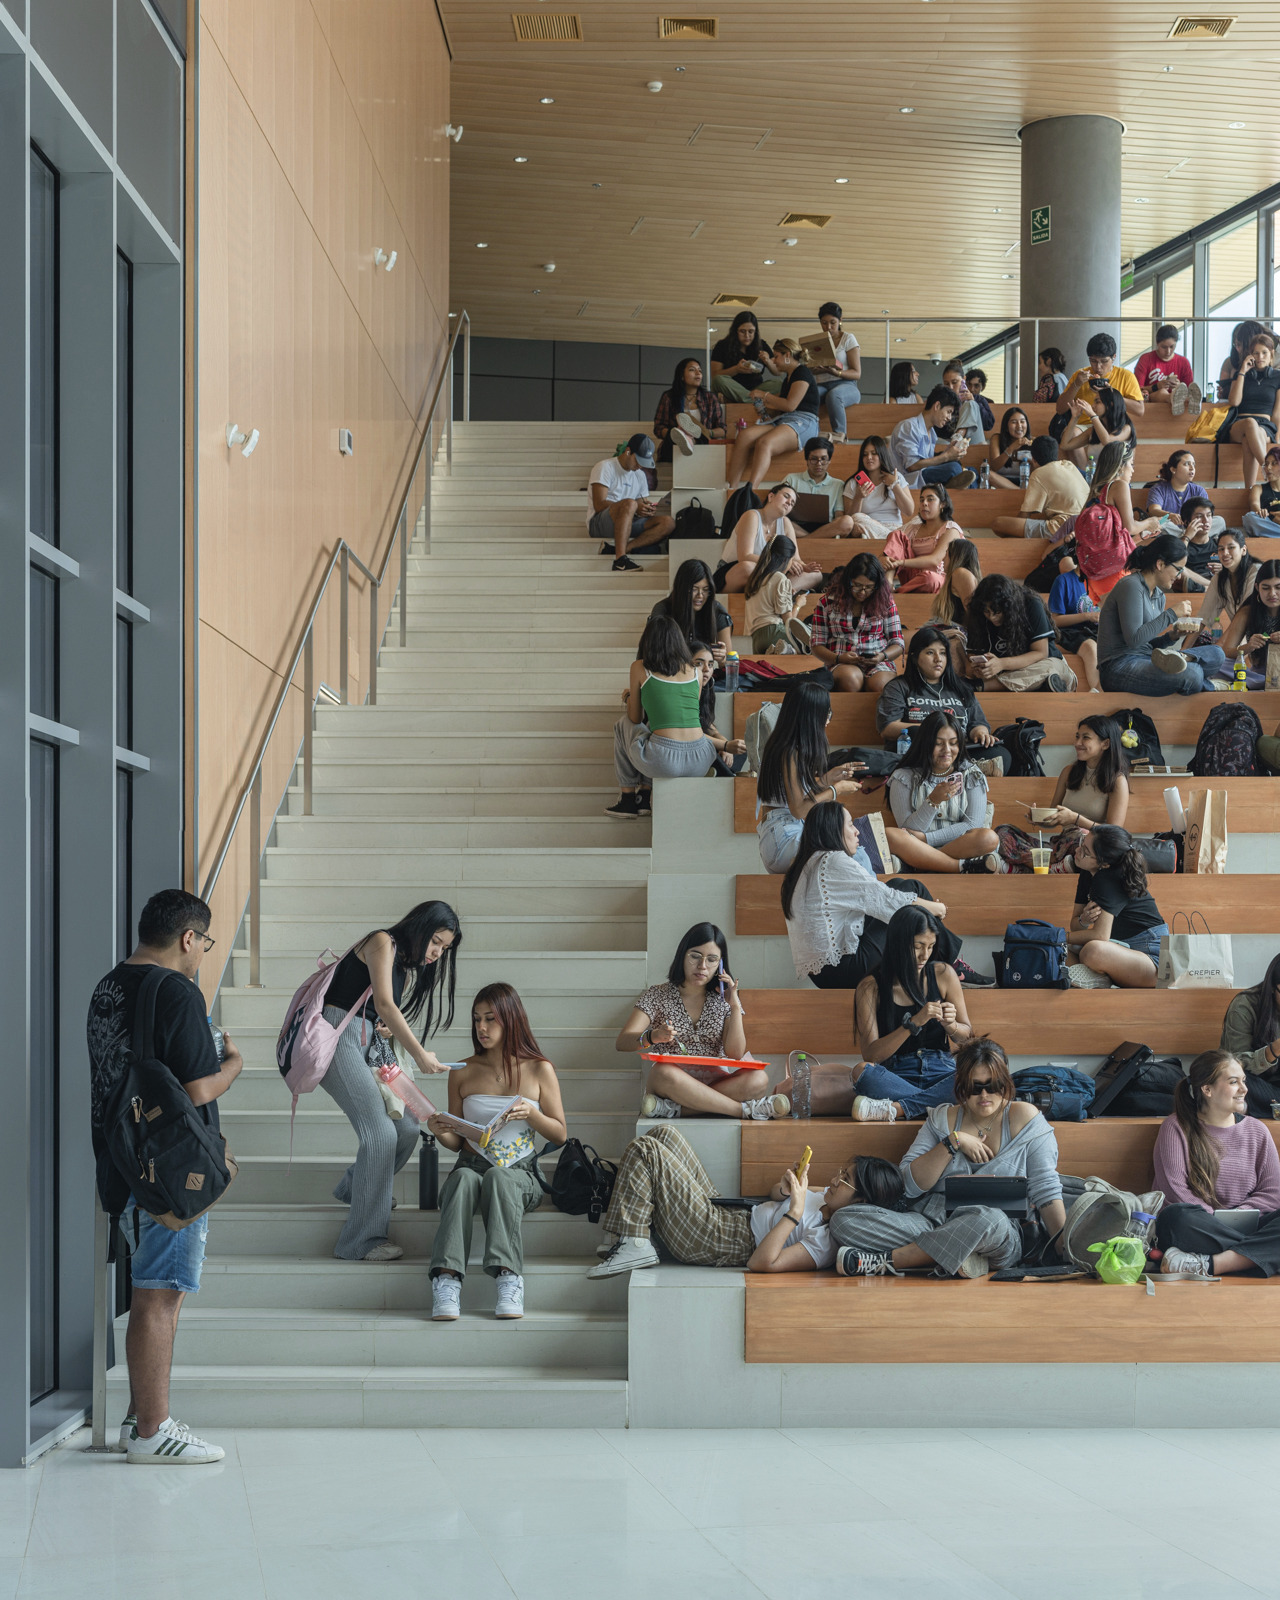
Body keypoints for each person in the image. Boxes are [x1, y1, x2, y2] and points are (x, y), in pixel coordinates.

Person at [87, 889, 241, 1464]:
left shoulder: (107, 987)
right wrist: (234, 1064)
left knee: (147, 1290)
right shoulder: (178, 991)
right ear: (187, 938)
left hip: (123, 1164)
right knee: (161, 1296)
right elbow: (199, 1089)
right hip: (172, 1175)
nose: (203, 951)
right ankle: (153, 1432)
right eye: (204, 941)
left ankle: (137, 1418)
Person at [832, 1038, 1066, 1277]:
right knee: (844, 1220)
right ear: (961, 1086)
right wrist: (952, 1142)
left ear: (1005, 1082)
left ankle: (890, 1261)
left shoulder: (1025, 1118)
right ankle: (957, 1255)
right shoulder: (941, 1119)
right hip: (932, 1221)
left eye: (992, 1085)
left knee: (987, 1219)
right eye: (975, 1088)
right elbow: (909, 1186)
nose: (984, 1095)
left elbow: (1046, 1190)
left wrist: (1064, 1251)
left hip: (998, 1227)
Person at [320, 901, 460, 1260]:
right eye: (436, 942)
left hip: (364, 1041)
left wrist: (380, 1028)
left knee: (409, 1128)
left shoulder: (402, 964)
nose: (437, 953)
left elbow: (376, 1010)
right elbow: (384, 1003)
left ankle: (359, 1188)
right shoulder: (383, 941)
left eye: (444, 948)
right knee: (380, 1133)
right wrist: (419, 1054)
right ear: (421, 927)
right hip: (339, 1039)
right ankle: (361, 1242)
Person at [427, 983, 566, 1321]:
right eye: (477, 1020)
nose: (482, 1028)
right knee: (460, 1177)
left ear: (511, 1020)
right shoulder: (463, 1070)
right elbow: (458, 1143)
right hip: (472, 1166)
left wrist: (533, 1114)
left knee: (501, 1178)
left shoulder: (539, 1069)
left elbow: (560, 1133)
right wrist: (441, 1130)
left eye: (491, 1019)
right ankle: (447, 1281)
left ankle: (508, 1276)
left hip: (521, 1174)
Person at [587, 1125, 892, 1279]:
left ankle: (634, 1242)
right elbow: (774, 1198)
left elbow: (762, 1263)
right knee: (664, 1134)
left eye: (846, 1180)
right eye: (842, 1171)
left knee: (647, 1150)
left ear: (861, 1201)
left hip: (720, 1240)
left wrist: (796, 1212)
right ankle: (630, 1233)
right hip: (730, 1213)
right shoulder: (827, 1197)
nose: (836, 1178)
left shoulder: (826, 1241)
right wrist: (786, 1191)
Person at [782, 803, 980, 990]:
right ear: (833, 829)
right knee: (910, 896)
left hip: (825, 973)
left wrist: (923, 907)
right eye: (851, 825)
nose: (857, 831)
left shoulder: (806, 865)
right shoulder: (832, 860)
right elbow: (886, 901)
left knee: (903, 887)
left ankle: (942, 965)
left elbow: (880, 895)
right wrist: (936, 909)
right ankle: (950, 966)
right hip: (844, 969)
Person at [615, 922, 786, 1121]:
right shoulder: (657, 994)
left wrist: (735, 1006)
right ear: (682, 956)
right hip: (674, 1082)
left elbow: (736, 1052)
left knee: (759, 1079)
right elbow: (622, 1042)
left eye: (712, 960)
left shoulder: (725, 1000)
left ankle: (672, 1109)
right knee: (662, 1073)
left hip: (718, 1082)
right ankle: (744, 1111)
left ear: (720, 965)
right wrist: (652, 1037)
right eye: (695, 956)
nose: (702, 966)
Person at [1152, 1051, 1280, 1279]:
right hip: (1198, 1226)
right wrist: (1215, 1218)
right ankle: (1261, 1256)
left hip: (1250, 1224)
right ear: (1207, 1089)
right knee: (1177, 1217)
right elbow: (1174, 1191)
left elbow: (1272, 1193)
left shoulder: (1257, 1130)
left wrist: (1241, 1214)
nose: (1244, 1089)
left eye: (1244, 1080)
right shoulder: (1175, 1127)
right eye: (1233, 1082)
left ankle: (1210, 1264)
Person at [846, 906, 974, 1120]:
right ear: (898, 944)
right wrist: (913, 1024)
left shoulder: (943, 974)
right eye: (918, 946)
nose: (925, 955)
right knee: (862, 1071)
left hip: (941, 1071)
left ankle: (900, 1109)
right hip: (896, 1075)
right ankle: (941, 1108)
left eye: (931, 946)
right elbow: (871, 1055)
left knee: (982, 1069)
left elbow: (967, 1037)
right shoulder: (871, 987)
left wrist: (951, 1026)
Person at [755, 678, 867, 872]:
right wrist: (835, 789)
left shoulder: (786, 746)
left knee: (857, 854)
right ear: (811, 716)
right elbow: (799, 809)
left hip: (782, 834)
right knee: (856, 854)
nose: (828, 719)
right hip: (783, 839)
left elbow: (796, 798)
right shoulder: (789, 752)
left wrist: (827, 779)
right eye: (826, 713)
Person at [608, 615, 716, 818]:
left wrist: (630, 697)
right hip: (701, 758)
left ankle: (628, 799)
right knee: (655, 734)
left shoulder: (640, 667)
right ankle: (644, 796)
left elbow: (635, 717)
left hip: (665, 760)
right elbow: (690, 713)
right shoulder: (696, 672)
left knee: (623, 724)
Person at [1097, 534, 1229, 696]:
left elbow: (1146, 645)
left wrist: (1171, 637)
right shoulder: (1131, 586)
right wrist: (1171, 614)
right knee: (1193, 673)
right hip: (1117, 666)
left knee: (1216, 654)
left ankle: (1184, 661)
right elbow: (1134, 640)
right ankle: (1206, 683)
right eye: (1178, 569)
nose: (1180, 575)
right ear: (1160, 564)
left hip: (1145, 658)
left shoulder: (1160, 596)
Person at [994, 715, 1129, 873]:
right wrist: (1039, 818)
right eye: (1077, 736)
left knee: (1080, 839)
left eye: (1085, 738)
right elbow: (1054, 818)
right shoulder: (1068, 772)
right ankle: (1054, 866)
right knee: (1003, 832)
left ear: (1105, 744)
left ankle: (1026, 867)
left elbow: (1114, 833)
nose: (1077, 743)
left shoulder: (1117, 780)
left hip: (1084, 847)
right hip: (1060, 846)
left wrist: (1076, 819)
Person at [876, 625, 1011, 771]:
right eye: (930, 653)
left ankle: (957, 768)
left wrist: (980, 733)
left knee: (1001, 755)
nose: (938, 659)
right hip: (920, 750)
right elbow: (888, 727)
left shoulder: (960, 687)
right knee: (918, 740)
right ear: (915, 657)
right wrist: (933, 731)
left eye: (943, 653)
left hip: (956, 750)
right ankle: (963, 769)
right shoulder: (898, 687)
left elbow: (977, 723)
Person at [885, 711, 999, 874]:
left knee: (989, 837)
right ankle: (955, 866)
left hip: (957, 846)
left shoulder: (972, 774)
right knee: (890, 835)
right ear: (925, 744)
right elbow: (907, 830)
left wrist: (927, 839)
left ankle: (922, 865)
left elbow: (972, 825)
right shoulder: (904, 777)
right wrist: (933, 801)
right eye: (939, 744)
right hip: (915, 847)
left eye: (953, 743)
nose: (947, 750)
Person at [1066, 824, 1168, 988]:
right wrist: (1083, 921)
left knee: (1092, 950)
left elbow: (1100, 936)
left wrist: (1059, 936)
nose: (1077, 852)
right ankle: (1100, 979)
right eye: (1081, 844)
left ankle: (1102, 979)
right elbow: (1076, 926)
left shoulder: (1109, 878)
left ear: (1104, 863)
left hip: (1153, 958)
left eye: (1085, 851)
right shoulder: (1087, 870)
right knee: (1062, 952)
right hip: (1120, 949)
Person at [726, 339, 823, 492]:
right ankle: (731, 488)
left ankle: (750, 490)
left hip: (804, 422)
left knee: (765, 442)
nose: (773, 361)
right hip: (785, 420)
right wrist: (764, 407)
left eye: (776, 356)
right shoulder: (788, 379)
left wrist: (764, 395)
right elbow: (781, 407)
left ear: (787, 355)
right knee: (744, 436)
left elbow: (790, 405)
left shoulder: (802, 372)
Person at [1073, 441, 1161, 602]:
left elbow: (1111, 539)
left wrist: (1141, 536)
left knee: (1108, 623)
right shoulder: (1119, 485)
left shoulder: (1097, 492)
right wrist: (1150, 522)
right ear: (1121, 465)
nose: (1133, 469)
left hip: (1096, 574)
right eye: (1131, 464)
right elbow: (1130, 526)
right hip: (1115, 570)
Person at [961, 572, 1078, 692]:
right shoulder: (978, 617)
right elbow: (972, 660)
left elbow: (1041, 653)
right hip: (1009, 675)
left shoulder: (1031, 604)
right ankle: (1042, 686)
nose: (992, 617)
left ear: (1009, 606)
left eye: (997, 612)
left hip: (1050, 666)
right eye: (986, 611)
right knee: (1031, 678)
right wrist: (981, 669)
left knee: (1049, 669)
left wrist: (1002, 664)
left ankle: (980, 686)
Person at [807, 552, 903, 693]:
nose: (862, 592)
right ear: (848, 581)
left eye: (869, 587)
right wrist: (838, 658)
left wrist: (882, 656)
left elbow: (898, 642)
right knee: (850, 680)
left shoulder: (885, 601)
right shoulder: (827, 601)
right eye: (857, 585)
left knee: (880, 686)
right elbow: (816, 645)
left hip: (878, 660)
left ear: (877, 586)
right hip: (840, 660)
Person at [587, 433, 675, 572]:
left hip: (628, 520)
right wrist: (632, 506)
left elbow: (639, 504)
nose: (640, 465)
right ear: (628, 451)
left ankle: (621, 548)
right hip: (599, 522)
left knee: (668, 522)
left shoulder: (640, 475)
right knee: (630, 504)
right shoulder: (605, 467)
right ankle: (620, 560)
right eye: (638, 460)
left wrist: (646, 508)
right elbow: (599, 505)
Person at [717, 484, 821, 595]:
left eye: (792, 503)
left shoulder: (786, 523)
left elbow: (795, 558)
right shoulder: (751, 516)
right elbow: (745, 556)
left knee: (816, 574)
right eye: (786, 496)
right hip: (736, 569)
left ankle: (779, 593)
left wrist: (803, 566)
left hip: (771, 572)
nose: (789, 503)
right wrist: (784, 564)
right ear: (771, 496)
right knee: (748, 568)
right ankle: (777, 593)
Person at [992, 435, 1088, 541]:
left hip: (1061, 527)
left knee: (998, 523)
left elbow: (1024, 515)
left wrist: (1012, 527)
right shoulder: (1069, 465)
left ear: (1033, 459)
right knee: (1014, 535)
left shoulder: (1038, 473)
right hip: (1084, 524)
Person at [1221, 956, 1280, 1119]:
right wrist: (1273, 1051)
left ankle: (1250, 1108)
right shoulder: (1244, 1006)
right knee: (1225, 1082)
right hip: (1254, 1083)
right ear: (1272, 988)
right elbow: (1233, 1063)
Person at [1222, 332, 1280, 492]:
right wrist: (1242, 372)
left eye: (1264, 353)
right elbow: (1234, 402)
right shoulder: (1241, 375)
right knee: (1250, 423)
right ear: (1250, 355)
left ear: (1271, 354)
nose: (1260, 356)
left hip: (1265, 427)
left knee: (1249, 439)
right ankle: (1270, 468)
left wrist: (1278, 438)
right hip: (1240, 424)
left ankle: (1249, 489)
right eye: (1256, 353)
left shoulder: (1278, 377)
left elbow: (1277, 412)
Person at [889, 384, 975, 491]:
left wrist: (947, 452)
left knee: (972, 470)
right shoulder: (909, 426)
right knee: (954, 468)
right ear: (937, 406)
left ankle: (945, 487)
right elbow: (912, 466)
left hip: (925, 476)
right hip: (909, 481)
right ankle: (944, 488)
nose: (949, 418)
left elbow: (928, 462)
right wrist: (946, 456)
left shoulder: (932, 433)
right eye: (948, 412)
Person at [882, 483, 963, 594]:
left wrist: (900, 562)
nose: (924, 503)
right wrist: (883, 559)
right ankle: (888, 584)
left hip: (937, 579)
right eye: (921, 500)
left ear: (942, 504)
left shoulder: (951, 529)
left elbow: (934, 560)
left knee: (930, 579)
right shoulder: (912, 528)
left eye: (930, 499)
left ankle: (897, 593)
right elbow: (893, 542)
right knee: (897, 534)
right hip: (911, 577)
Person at [1056, 331, 1146, 427]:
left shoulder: (1125, 376)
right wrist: (1076, 384)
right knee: (1074, 433)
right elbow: (1060, 409)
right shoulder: (1080, 375)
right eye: (1093, 361)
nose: (1098, 367)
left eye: (1104, 361)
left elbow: (1139, 410)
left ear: (1114, 357)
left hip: (1113, 426)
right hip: (1084, 426)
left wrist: (1111, 395)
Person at [650, 558, 732, 661]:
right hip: (672, 672)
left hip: (704, 674)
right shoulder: (663, 610)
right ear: (682, 588)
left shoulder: (717, 611)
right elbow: (653, 655)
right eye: (694, 589)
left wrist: (722, 658)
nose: (700, 595)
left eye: (706, 590)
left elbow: (728, 664)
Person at [743, 536, 811, 655]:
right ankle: (786, 649)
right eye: (792, 559)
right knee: (812, 644)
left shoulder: (755, 579)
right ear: (785, 560)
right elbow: (789, 623)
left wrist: (788, 598)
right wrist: (798, 604)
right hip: (774, 631)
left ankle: (781, 651)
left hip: (756, 640)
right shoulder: (780, 578)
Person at [805, 301, 862, 440]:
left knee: (834, 395)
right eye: (824, 323)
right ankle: (808, 433)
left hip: (847, 385)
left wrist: (837, 372)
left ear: (840, 321)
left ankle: (840, 435)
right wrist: (814, 368)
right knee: (807, 395)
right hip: (822, 384)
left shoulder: (848, 338)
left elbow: (857, 373)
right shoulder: (817, 341)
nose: (828, 327)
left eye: (832, 323)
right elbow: (812, 370)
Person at [652, 357, 726, 461]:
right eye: (692, 369)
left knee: (700, 434)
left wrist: (708, 432)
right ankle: (684, 437)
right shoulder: (669, 397)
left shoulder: (710, 398)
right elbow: (658, 428)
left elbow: (723, 430)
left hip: (702, 444)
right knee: (676, 433)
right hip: (674, 447)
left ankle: (691, 441)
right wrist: (675, 434)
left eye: (700, 370)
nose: (698, 373)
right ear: (682, 376)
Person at [690, 641, 747, 775]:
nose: (706, 669)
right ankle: (724, 775)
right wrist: (725, 745)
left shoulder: (707, 688)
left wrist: (726, 743)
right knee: (710, 750)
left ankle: (719, 774)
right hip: (687, 746)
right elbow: (690, 734)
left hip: (702, 741)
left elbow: (708, 726)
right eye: (699, 663)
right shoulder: (681, 691)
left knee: (741, 749)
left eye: (710, 665)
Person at [1222, 558, 1280, 687]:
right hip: (1258, 675)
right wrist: (1248, 647)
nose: (1272, 594)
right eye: (1265, 588)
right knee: (1218, 663)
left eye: (1278, 587)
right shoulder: (1248, 611)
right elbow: (1226, 652)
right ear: (1257, 587)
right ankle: (1260, 684)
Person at [842, 435, 914, 537]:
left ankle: (890, 537)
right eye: (865, 455)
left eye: (874, 453)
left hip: (895, 528)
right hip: (868, 528)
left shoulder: (897, 477)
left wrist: (894, 485)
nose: (869, 458)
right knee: (857, 518)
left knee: (918, 521)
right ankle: (892, 538)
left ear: (882, 454)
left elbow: (909, 511)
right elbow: (849, 520)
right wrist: (858, 497)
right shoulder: (853, 483)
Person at [1145, 450, 1226, 539]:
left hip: (1194, 527)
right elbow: (1153, 510)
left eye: (1193, 464)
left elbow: (1206, 514)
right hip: (1171, 529)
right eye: (1187, 464)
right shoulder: (1158, 489)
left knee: (1219, 521)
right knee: (1161, 522)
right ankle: (1187, 537)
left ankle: (1185, 537)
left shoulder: (1199, 490)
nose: (1192, 468)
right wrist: (1170, 515)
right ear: (1173, 469)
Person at [1046, 564, 1102, 691]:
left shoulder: (1105, 581)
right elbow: (1054, 620)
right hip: (1069, 632)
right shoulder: (1063, 580)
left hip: (1096, 631)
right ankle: (1097, 693)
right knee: (1090, 647)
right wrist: (1087, 616)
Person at [1057, 380, 1135, 471]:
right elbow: (1065, 445)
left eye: (1097, 402)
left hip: (1116, 482)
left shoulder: (1126, 428)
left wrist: (1093, 416)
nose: (1093, 406)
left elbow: (1107, 442)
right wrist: (1074, 418)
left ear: (1110, 404)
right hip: (1094, 479)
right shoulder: (1093, 431)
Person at [783, 436, 852, 537]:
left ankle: (806, 541)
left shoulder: (838, 484)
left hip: (826, 529)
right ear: (807, 460)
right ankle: (811, 540)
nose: (819, 464)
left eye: (823, 459)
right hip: (796, 527)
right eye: (814, 459)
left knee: (847, 521)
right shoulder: (791, 479)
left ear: (829, 461)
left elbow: (839, 516)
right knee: (779, 518)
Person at [1198, 527, 1259, 640]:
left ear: (1243, 550)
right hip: (1237, 639)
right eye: (1221, 549)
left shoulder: (1256, 571)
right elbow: (1203, 618)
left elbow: (1245, 614)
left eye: (1231, 547)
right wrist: (1183, 652)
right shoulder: (1219, 578)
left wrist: (1223, 645)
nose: (1225, 553)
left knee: (1217, 651)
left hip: (1261, 638)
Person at [709, 310, 782, 401]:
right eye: (742, 331)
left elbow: (778, 371)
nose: (747, 335)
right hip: (732, 389)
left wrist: (768, 361)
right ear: (736, 331)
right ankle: (751, 399)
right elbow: (715, 375)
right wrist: (736, 369)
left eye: (751, 332)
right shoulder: (722, 345)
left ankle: (746, 399)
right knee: (718, 380)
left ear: (755, 332)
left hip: (757, 389)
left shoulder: (761, 344)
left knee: (780, 384)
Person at [1135, 323, 1199, 414]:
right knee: (1162, 391)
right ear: (1157, 344)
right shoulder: (1146, 359)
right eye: (1164, 347)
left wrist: (1179, 386)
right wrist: (1155, 387)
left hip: (1178, 403)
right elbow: (1136, 390)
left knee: (1183, 390)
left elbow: (1189, 388)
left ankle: (1183, 399)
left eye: (1172, 347)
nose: (1168, 351)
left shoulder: (1184, 362)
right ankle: (1173, 398)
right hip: (1153, 401)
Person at [1216, 319, 1267, 402]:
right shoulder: (1231, 363)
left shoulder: (1267, 366)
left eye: (1239, 344)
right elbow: (1230, 400)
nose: (1237, 348)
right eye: (1235, 344)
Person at [940, 361, 987, 445]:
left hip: (973, 443)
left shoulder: (978, 399)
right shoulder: (941, 401)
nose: (950, 387)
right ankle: (956, 440)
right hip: (950, 444)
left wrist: (974, 401)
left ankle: (958, 437)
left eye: (954, 382)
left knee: (970, 404)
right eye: (946, 384)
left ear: (963, 380)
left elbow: (988, 425)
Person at [987, 406, 1034, 489]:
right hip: (1002, 482)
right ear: (1006, 426)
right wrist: (1011, 448)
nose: (1019, 426)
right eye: (1014, 422)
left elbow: (1040, 471)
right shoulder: (997, 438)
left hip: (1027, 482)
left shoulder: (1033, 441)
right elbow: (994, 467)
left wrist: (1033, 463)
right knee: (988, 474)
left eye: (1022, 422)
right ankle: (1018, 491)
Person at [1242, 445, 1280, 539]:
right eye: (1266, 464)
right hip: (1269, 525)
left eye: (1274, 463)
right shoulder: (1258, 488)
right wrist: (1269, 516)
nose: (1268, 468)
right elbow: (1254, 505)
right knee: (1249, 518)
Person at [965, 368, 995, 433]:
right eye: (969, 385)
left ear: (983, 387)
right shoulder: (959, 398)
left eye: (976, 386)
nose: (972, 389)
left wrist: (975, 403)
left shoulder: (985, 401)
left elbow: (988, 424)